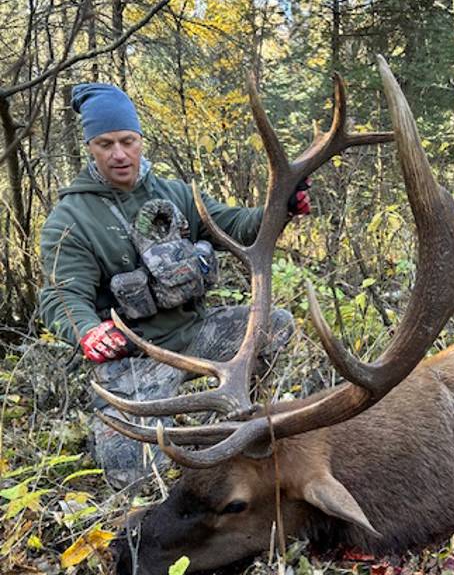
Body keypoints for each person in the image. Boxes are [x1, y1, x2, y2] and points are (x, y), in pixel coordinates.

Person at [39, 83, 310, 487]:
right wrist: (88, 331)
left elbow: (234, 224)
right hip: (136, 357)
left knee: (276, 323)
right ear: (90, 147)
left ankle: (225, 417)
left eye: (128, 141)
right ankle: (127, 425)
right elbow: (62, 295)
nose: (119, 154)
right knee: (135, 476)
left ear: (140, 140)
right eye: (105, 143)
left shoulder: (176, 194)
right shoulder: (70, 219)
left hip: (195, 335)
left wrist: (282, 206)